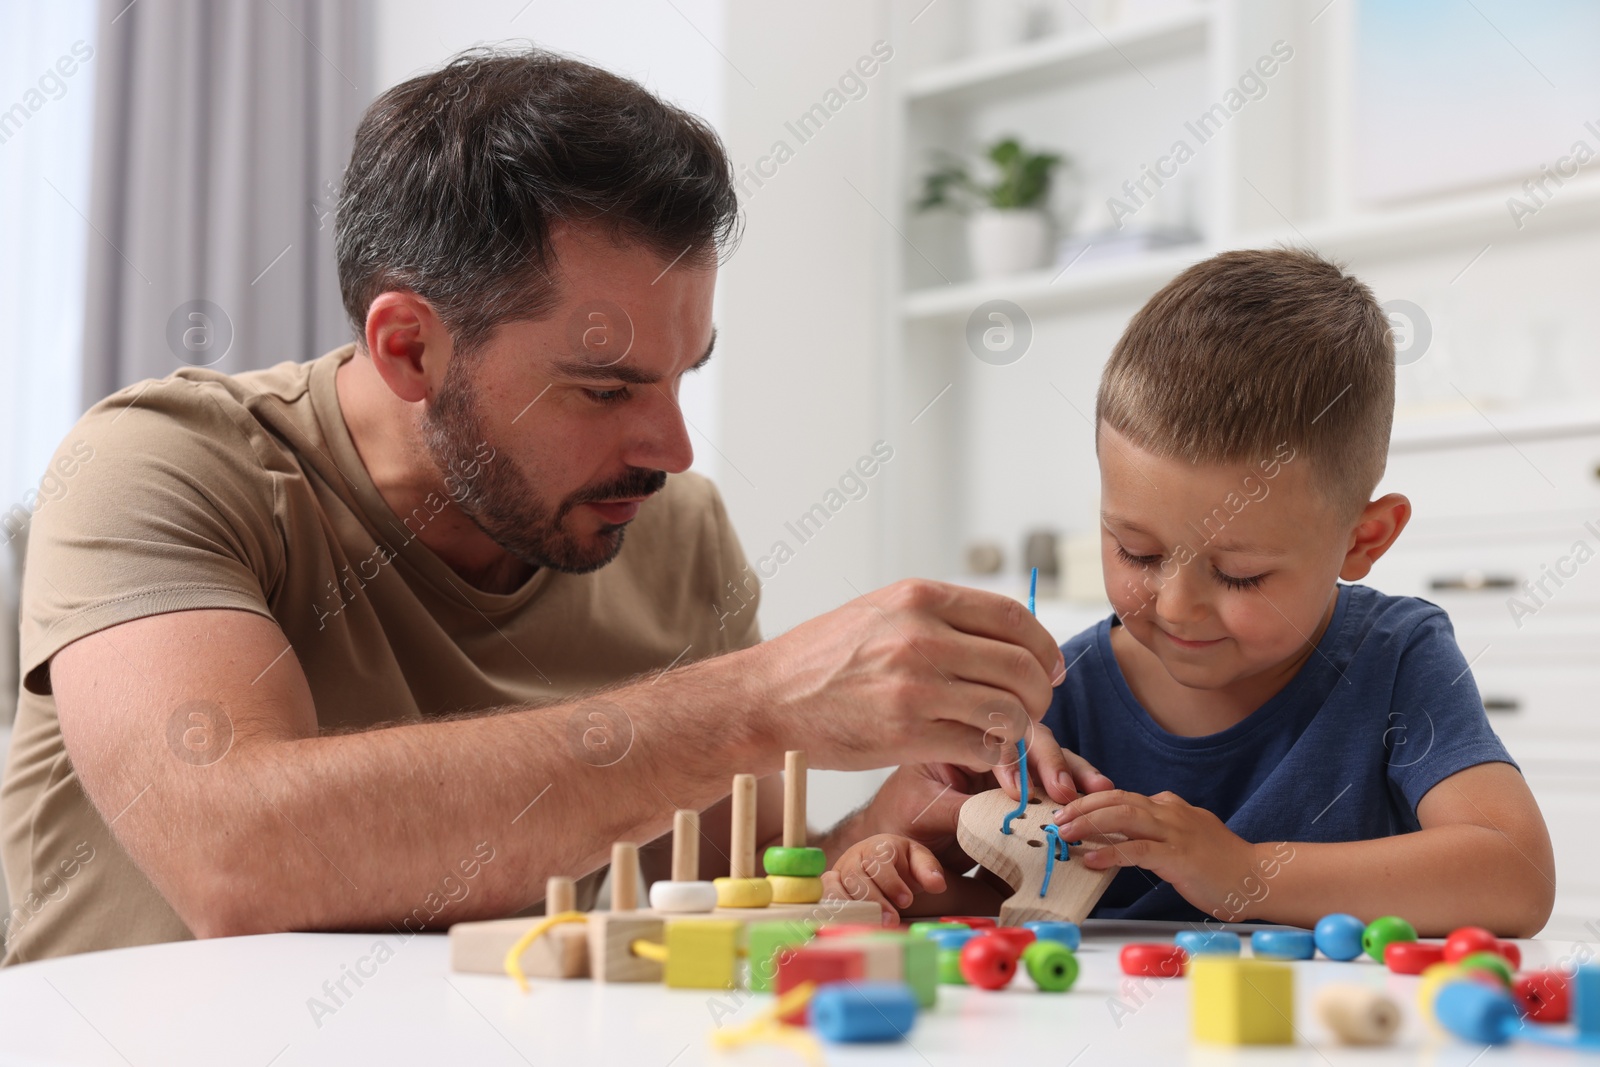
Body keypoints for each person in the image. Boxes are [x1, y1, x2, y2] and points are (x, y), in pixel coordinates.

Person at [0, 48, 1068, 963]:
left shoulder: (671, 527)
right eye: (604, 388)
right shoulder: (158, 466)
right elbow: (237, 858)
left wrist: (899, 826)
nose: (673, 447)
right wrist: (755, 704)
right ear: (409, 346)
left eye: (682, 372)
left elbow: (714, 902)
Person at [828, 249, 1555, 937]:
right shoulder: (1060, 696)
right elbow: (1020, 905)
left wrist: (1240, 871)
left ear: (1363, 540)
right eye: (1135, 551)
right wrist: (904, 881)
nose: (1175, 606)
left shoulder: (1396, 658)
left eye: (1240, 573)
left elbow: (1516, 875)